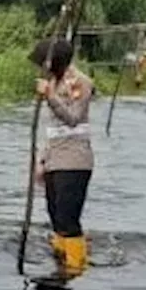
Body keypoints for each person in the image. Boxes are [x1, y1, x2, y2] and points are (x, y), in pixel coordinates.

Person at [31, 37, 94, 277]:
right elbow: (52, 130)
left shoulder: (80, 83)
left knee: (68, 220)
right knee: (55, 217)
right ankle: (60, 261)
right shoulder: (53, 82)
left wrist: (50, 96)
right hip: (54, 160)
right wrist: (42, 160)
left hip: (75, 161)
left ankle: (75, 269)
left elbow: (73, 118)